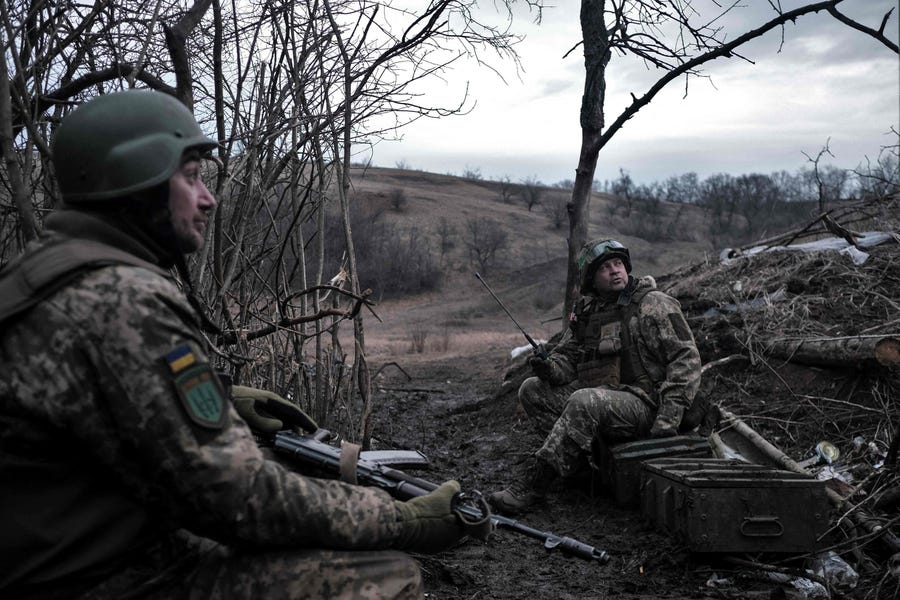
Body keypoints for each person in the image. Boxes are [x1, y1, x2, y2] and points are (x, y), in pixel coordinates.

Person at [0, 89, 487, 600]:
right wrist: (400, 518)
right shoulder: (125, 297)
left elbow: (89, 405)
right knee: (383, 575)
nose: (208, 198)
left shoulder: (38, 273)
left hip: (58, 554)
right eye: (190, 177)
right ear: (136, 184)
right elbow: (240, 498)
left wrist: (222, 398)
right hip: (96, 578)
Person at [489, 239, 702, 514]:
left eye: (618, 264)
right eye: (605, 267)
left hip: (648, 404)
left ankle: (534, 485)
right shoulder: (588, 313)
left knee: (584, 401)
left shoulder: (653, 304)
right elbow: (568, 360)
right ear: (592, 278)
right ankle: (579, 474)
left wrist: (668, 417)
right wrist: (548, 367)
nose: (615, 271)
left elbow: (686, 359)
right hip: (603, 396)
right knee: (531, 389)